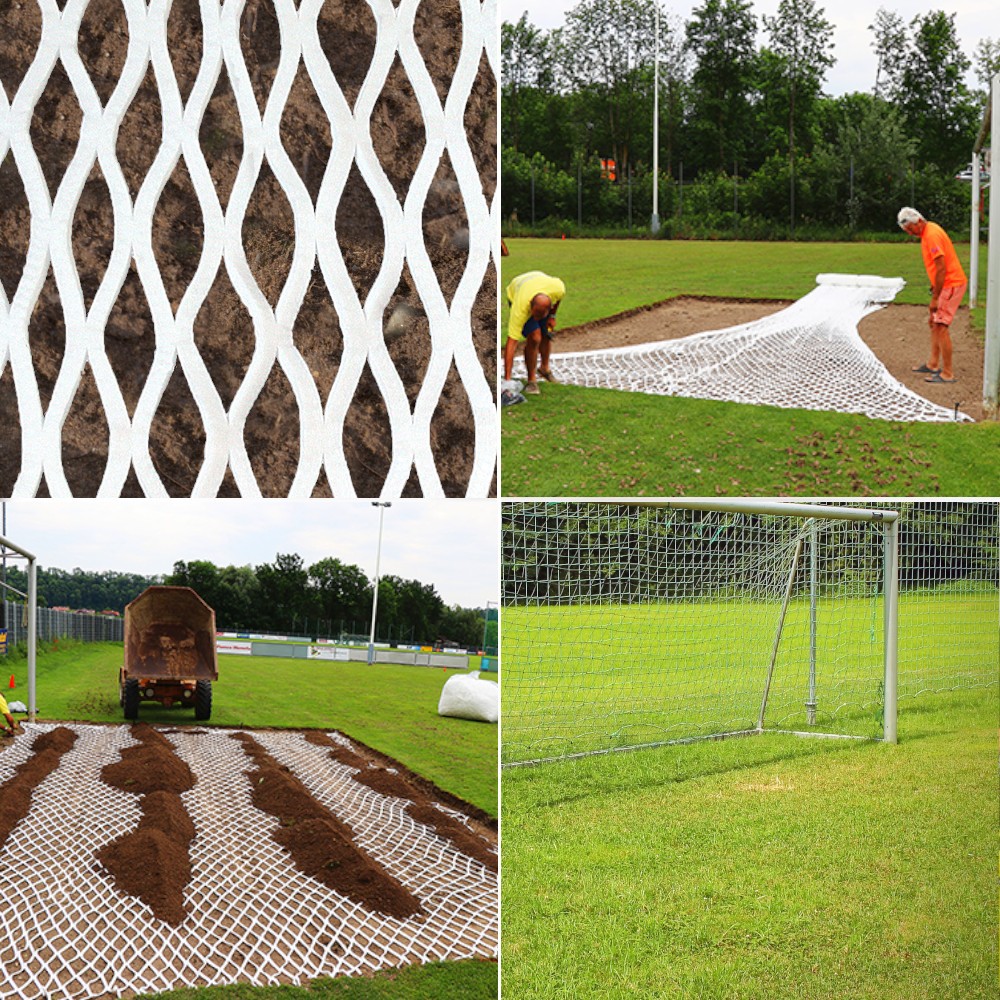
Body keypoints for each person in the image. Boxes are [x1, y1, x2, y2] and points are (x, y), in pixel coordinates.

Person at [897, 207, 967, 383]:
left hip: (951, 285)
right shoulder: (929, 231)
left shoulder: (931, 235)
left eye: (911, 230)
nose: (910, 234)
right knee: (935, 323)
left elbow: (942, 267)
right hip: (946, 284)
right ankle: (933, 364)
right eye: (907, 232)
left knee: (941, 326)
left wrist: (936, 298)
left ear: (918, 221)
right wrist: (934, 287)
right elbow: (937, 268)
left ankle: (948, 373)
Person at [503, 271, 566, 395]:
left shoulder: (558, 289)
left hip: (538, 283)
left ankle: (544, 369)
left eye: (540, 316)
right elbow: (511, 343)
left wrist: (552, 316)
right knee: (535, 337)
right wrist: (507, 381)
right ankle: (532, 380)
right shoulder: (520, 308)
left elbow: (558, 299)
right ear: (530, 308)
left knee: (546, 332)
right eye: (535, 315)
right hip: (517, 289)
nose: (536, 319)